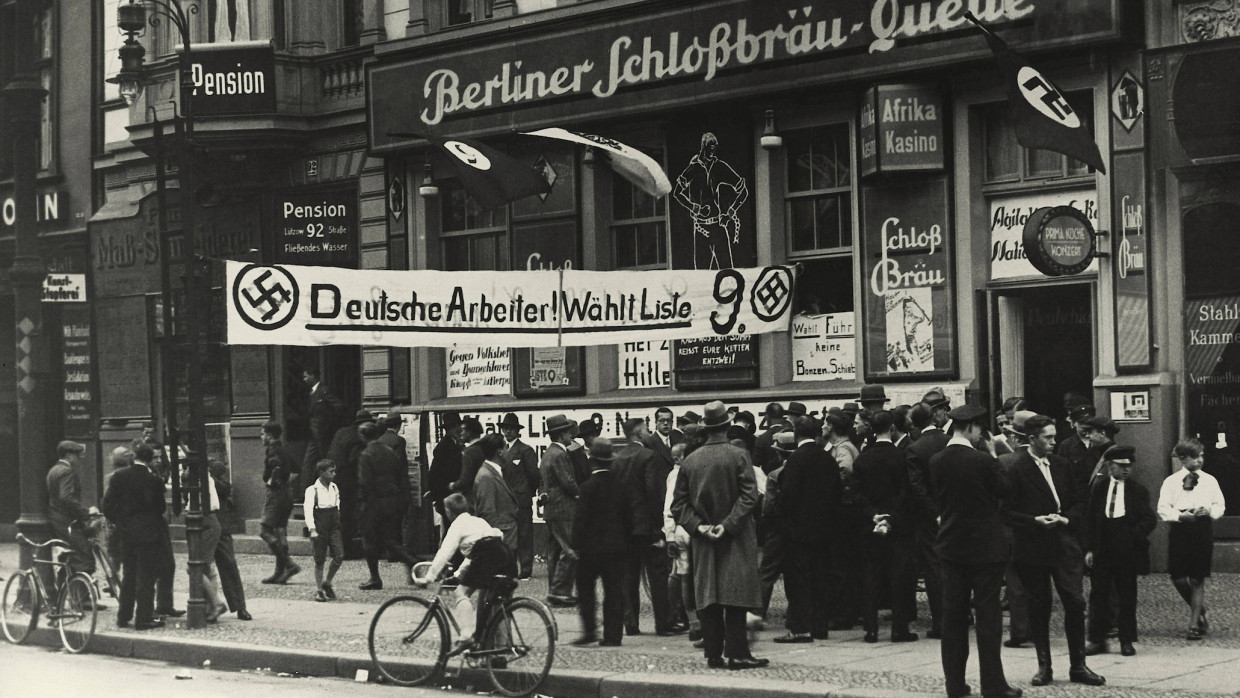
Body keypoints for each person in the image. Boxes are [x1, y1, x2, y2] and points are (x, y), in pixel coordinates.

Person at [1003, 414, 1104, 687]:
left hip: (1064, 544)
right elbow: (1006, 511)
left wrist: (1067, 518)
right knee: (1039, 606)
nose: (1053, 441)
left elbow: (1081, 499)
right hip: (1032, 546)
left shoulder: (1062, 465)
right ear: (1032, 439)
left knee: (1074, 602)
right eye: (1048, 437)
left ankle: (1078, 665)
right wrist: (1033, 521)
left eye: (1054, 436)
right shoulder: (1016, 469)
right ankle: (1044, 667)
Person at [928, 405, 1020, 698]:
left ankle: (954, 685)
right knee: (988, 618)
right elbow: (1006, 489)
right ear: (970, 428)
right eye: (980, 429)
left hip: (951, 546)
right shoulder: (982, 460)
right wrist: (993, 454)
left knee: (953, 618)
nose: (982, 434)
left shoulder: (936, 460)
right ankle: (993, 685)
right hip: (985, 549)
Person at [671, 400, 768, 670]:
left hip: (703, 540)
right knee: (735, 595)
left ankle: (713, 654)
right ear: (727, 426)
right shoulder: (738, 455)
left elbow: (678, 505)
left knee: (709, 595)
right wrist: (727, 524)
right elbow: (750, 496)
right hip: (734, 536)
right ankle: (737, 653)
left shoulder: (690, 460)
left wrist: (700, 526)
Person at [416, 492, 516, 656]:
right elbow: (473, 557)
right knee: (495, 605)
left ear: (448, 512)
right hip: (505, 554)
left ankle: (466, 636)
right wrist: (458, 575)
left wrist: (429, 577)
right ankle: (498, 653)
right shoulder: (478, 521)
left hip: (487, 556)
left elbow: (445, 552)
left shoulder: (458, 524)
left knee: (461, 592)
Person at [1083, 445, 1155, 657]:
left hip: (1127, 549)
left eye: (1129, 466)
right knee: (1099, 594)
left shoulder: (1137, 490)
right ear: (1110, 466)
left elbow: (1149, 519)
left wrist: (1134, 534)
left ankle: (1126, 640)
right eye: (1121, 466)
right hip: (1102, 548)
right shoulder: (1100, 487)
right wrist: (1089, 549)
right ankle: (1097, 640)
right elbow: (1091, 519)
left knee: (1126, 595)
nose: (1126, 470)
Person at [773, 415, 839, 644]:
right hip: (825, 529)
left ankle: (800, 627)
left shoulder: (795, 460)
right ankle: (820, 625)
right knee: (821, 578)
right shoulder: (827, 459)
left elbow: (788, 496)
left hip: (798, 531)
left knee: (798, 581)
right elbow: (836, 494)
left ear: (797, 433)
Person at [854, 411, 918, 643]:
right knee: (898, 577)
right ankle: (899, 628)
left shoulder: (862, 458)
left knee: (871, 576)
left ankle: (871, 628)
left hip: (869, 526)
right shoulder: (901, 456)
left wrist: (873, 515)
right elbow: (906, 491)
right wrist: (891, 516)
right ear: (891, 428)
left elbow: (855, 493)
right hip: (897, 525)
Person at [1158, 438, 1226, 641]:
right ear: (1182, 459)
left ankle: (1194, 624)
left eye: (1202, 456)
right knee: (1177, 576)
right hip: (1180, 529)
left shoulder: (1210, 480)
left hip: (1202, 529)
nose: (1200, 461)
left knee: (1197, 577)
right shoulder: (1171, 482)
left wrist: (1210, 510)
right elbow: (1162, 508)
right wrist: (1179, 516)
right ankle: (1200, 608)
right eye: (1195, 457)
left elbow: (1220, 505)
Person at [613, 417, 674, 636]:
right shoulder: (649, 457)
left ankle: (631, 623)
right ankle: (663, 623)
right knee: (657, 574)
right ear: (639, 433)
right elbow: (654, 494)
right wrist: (659, 528)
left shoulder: (618, 459)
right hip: (647, 527)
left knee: (629, 575)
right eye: (646, 430)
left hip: (625, 527)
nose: (649, 433)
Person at [103, 441, 173, 630]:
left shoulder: (119, 477)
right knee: (146, 577)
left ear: (135, 457)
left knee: (129, 576)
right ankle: (143, 618)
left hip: (127, 534)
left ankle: (123, 616)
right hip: (149, 534)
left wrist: (121, 522)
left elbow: (107, 506)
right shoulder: (154, 481)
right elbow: (160, 508)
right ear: (150, 460)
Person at [571, 440, 633, 646]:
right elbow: (629, 518)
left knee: (586, 590)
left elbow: (580, 520)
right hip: (617, 548)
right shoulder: (622, 486)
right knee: (614, 592)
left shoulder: (587, 487)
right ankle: (613, 636)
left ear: (592, 462)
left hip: (590, 550)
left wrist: (575, 544)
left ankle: (590, 631)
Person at [906, 397, 949, 638]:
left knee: (933, 568)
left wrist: (934, 511)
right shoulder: (949, 441)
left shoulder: (915, 448)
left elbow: (917, 486)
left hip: (929, 518)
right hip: (953, 511)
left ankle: (941, 622)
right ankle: (961, 614)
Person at [357, 421, 418, 590]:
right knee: (389, 539)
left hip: (374, 503)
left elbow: (365, 483)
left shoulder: (366, 455)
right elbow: (400, 476)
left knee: (369, 541)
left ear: (363, 436)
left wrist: (363, 504)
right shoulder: (389, 452)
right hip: (393, 501)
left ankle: (375, 577)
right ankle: (411, 560)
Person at [998, 410, 1038, 649]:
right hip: (1037, 528)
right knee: (1036, 582)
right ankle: (1036, 627)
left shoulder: (1004, 462)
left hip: (1011, 529)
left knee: (1014, 584)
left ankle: (1020, 630)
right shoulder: (1045, 460)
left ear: (1014, 438)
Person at [539, 414, 581, 606]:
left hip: (551, 509)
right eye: (567, 432)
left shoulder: (548, 453)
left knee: (554, 551)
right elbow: (568, 482)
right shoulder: (561, 454)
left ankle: (554, 589)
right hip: (564, 509)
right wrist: (580, 495)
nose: (571, 435)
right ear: (561, 434)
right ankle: (559, 591)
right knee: (570, 550)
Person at [46, 440, 98, 584]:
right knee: (84, 555)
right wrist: (86, 512)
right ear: (69, 455)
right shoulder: (66, 471)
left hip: (58, 519)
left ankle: (63, 594)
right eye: (76, 455)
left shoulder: (54, 470)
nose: (79, 458)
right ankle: (84, 599)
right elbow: (66, 497)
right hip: (66, 521)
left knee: (68, 557)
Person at [327, 409, 374, 559]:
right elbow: (355, 460)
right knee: (348, 516)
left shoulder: (341, 432)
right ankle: (344, 551)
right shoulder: (358, 436)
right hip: (347, 481)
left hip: (333, 477)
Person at [259, 421, 301, 585]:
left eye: (262, 434)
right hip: (286, 493)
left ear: (269, 435)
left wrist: (272, 482)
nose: (261, 437)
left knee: (265, 531)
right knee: (280, 531)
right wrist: (285, 482)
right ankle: (279, 572)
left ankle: (289, 565)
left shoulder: (272, 449)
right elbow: (297, 469)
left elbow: (275, 466)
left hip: (276, 494)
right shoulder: (284, 449)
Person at [498, 413, 539, 579]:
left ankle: (526, 568)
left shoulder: (525, 450)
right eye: (504, 428)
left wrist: (527, 491)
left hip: (521, 498)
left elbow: (534, 475)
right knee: (509, 534)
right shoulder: (501, 450)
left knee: (524, 534)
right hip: (505, 499)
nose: (507, 432)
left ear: (517, 430)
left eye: (510, 429)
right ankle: (511, 567)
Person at [209, 460, 251, 621]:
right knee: (203, 568)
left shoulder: (219, 485)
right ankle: (211, 606)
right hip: (205, 525)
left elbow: (223, 488)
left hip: (221, 527)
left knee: (229, 564)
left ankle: (239, 606)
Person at [664, 441, 696, 639]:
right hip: (681, 529)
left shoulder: (682, 473)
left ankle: (674, 612)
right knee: (684, 575)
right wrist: (670, 535)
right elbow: (669, 508)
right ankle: (690, 620)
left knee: (678, 574)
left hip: (682, 529)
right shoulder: (676, 475)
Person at [301, 367, 346, 497]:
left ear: (312, 375)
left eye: (305, 376)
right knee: (308, 464)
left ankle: (330, 493)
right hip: (314, 436)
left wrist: (328, 426)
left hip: (324, 436)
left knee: (325, 465)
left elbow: (338, 407)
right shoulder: (311, 393)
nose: (304, 380)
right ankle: (307, 493)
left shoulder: (324, 391)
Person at [305, 459, 345, 602]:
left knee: (339, 555)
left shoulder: (334, 487)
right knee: (320, 559)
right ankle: (319, 590)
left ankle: (327, 582)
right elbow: (308, 511)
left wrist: (337, 517)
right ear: (321, 473)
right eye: (330, 472)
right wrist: (312, 529)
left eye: (334, 471)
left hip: (333, 523)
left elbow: (337, 503)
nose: (334, 474)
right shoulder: (312, 490)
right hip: (319, 524)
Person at [473, 432, 520, 552]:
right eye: (505, 447)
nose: (507, 451)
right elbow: (487, 512)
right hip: (500, 540)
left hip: (506, 537)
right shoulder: (486, 476)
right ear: (499, 451)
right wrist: (493, 544)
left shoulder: (495, 472)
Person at [200, 461, 230, 623]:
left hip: (207, 521)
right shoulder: (206, 477)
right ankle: (211, 607)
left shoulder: (201, 478)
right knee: (207, 566)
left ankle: (217, 603)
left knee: (195, 567)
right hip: (209, 521)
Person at [428, 411, 464, 524]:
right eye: (455, 427)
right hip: (447, 497)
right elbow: (435, 475)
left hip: (451, 497)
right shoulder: (443, 447)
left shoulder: (455, 444)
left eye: (459, 426)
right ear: (448, 429)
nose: (459, 429)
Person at [452, 417, 487, 498]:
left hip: (472, 497)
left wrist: (452, 486)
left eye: (462, 430)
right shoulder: (486, 447)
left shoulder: (469, 452)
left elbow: (465, 481)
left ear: (469, 432)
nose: (461, 433)